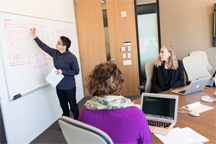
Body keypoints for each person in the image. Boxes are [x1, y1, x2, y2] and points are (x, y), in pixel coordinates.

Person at [78, 62, 152, 144]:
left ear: (93, 83)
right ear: (119, 84)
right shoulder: (136, 114)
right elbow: (146, 141)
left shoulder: (85, 111)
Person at [30, 28, 80, 120]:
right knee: (63, 106)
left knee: (73, 105)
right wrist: (34, 36)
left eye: (59, 43)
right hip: (59, 86)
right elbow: (44, 46)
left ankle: (79, 122)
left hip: (69, 86)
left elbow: (76, 71)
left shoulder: (72, 57)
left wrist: (63, 72)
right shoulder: (55, 53)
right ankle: (67, 123)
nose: (56, 44)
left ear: (64, 46)